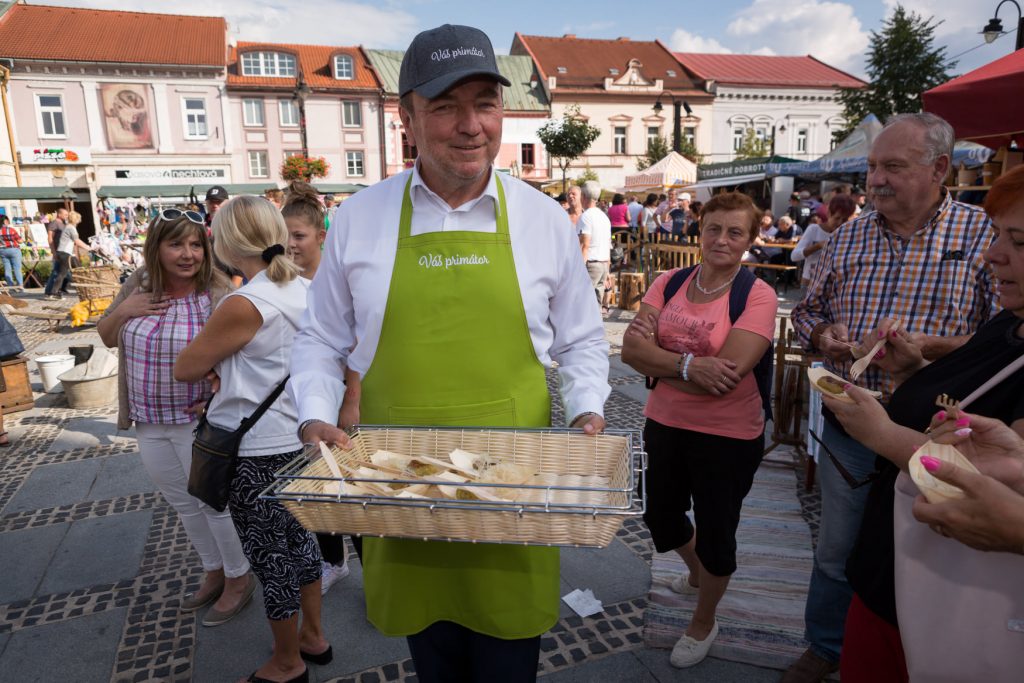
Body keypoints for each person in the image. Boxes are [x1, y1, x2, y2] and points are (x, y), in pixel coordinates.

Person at [289, 23, 610, 682]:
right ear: (406, 117)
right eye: (445, 106)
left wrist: (586, 411)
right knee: (431, 658)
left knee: (508, 660)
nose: (471, 125)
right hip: (401, 490)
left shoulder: (544, 218)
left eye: (485, 103)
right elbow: (320, 336)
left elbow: (580, 338)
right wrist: (314, 412)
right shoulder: (359, 217)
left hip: (514, 493)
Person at [785, 112, 1000, 682]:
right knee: (838, 551)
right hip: (854, 423)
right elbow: (807, 313)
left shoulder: (982, 235)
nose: (875, 179)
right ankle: (827, 645)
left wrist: (930, 351)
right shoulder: (849, 233)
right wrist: (825, 337)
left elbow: (1002, 337)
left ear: (939, 169)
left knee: (930, 550)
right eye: (873, 166)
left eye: (892, 167)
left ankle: (920, 656)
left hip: (945, 434)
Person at [175, 196, 331, 683]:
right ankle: (314, 637)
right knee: (301, 543)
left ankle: (286, 663)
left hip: (256, 450)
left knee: (270, 557)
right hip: (298, 439)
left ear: (228, 241)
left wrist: (219, 369)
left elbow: (186, 368)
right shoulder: (305, 289)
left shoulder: (244, 303)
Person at [621, 191, 777, 668]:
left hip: (729, 435)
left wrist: (662, 366)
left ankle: (705, 619)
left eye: (735, 232)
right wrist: (691, 367)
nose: (722, 240)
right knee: (659, 514)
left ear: (750, 240)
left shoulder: (757, 294)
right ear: (699, 230)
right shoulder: (668, 282)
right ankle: (696, 574)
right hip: (664, 423)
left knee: (717, 532)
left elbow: (726, 378)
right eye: (714, 228)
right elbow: (629, 352)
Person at [96, 210, 254, 629]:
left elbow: (243, 357)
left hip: (197, 423)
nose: (188, 255)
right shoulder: (139, 284)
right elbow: (107, 335)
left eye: (196, 245)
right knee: (183, 505)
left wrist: (220, 394)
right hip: (149, 419)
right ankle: (213, 571)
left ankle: (239, 578)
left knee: (212, 503)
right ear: (156, 249)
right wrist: (125, 309)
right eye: (176, 245)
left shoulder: (219, 293)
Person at [281, 181, 352, 596]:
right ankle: (333, 560)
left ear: (321, 237)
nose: (290, 245)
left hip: (341, 399)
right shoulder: (282, 282)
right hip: (304, 403)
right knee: (320, 486)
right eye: (284, 236)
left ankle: (369, 566)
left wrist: (351, 398)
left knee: (354, 487)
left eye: (299, 236)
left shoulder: (334, 279)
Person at [791, 194, 856, 287]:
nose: (840, 223)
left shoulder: (848, 234)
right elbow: (794, 256)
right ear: (829, 213)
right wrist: (817, 246)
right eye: (837, 218)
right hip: (810, 284)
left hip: (835, 286)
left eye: (845, 220)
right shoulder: (814, 229)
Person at [578, 180, 612, 309]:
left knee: (583, 302)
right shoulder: (604, 217)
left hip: (591, 263)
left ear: (584, 197)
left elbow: (584, 245)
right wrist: (608, 269)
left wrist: (579, 268)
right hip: (603, 263)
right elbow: (608, 244)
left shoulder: (586, 216)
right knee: (596, 304)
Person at [46, 211, 92, 300]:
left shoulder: (68, 227)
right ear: (76, 219)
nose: (79, 221)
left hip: (66, 253)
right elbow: (76, 241)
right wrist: (88, 247)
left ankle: (85, 289)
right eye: (79, 219)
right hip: (64, 253)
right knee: (62, 273)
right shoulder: (71, 228)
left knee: (79, 269)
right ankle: (54, 293)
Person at [43, 207, 70, 297]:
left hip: (65, 251)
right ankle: (50, 291)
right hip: (58, 251)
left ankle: (58, 289)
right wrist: (53, 251)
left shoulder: (63, 224)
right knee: (56, 272)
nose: (67, 216)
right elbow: (50, 237)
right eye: (65, 214)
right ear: (59, 214)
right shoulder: (54, 223)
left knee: (63, 272)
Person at [0, 215, 23, 288]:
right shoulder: (11, 230)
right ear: (5, 221)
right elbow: (20, 241)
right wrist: (22, 233)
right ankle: (20, 286)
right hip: (14, 250)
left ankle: (10, 287)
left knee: (7, 269)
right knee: (17, 268)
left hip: (2, 250)